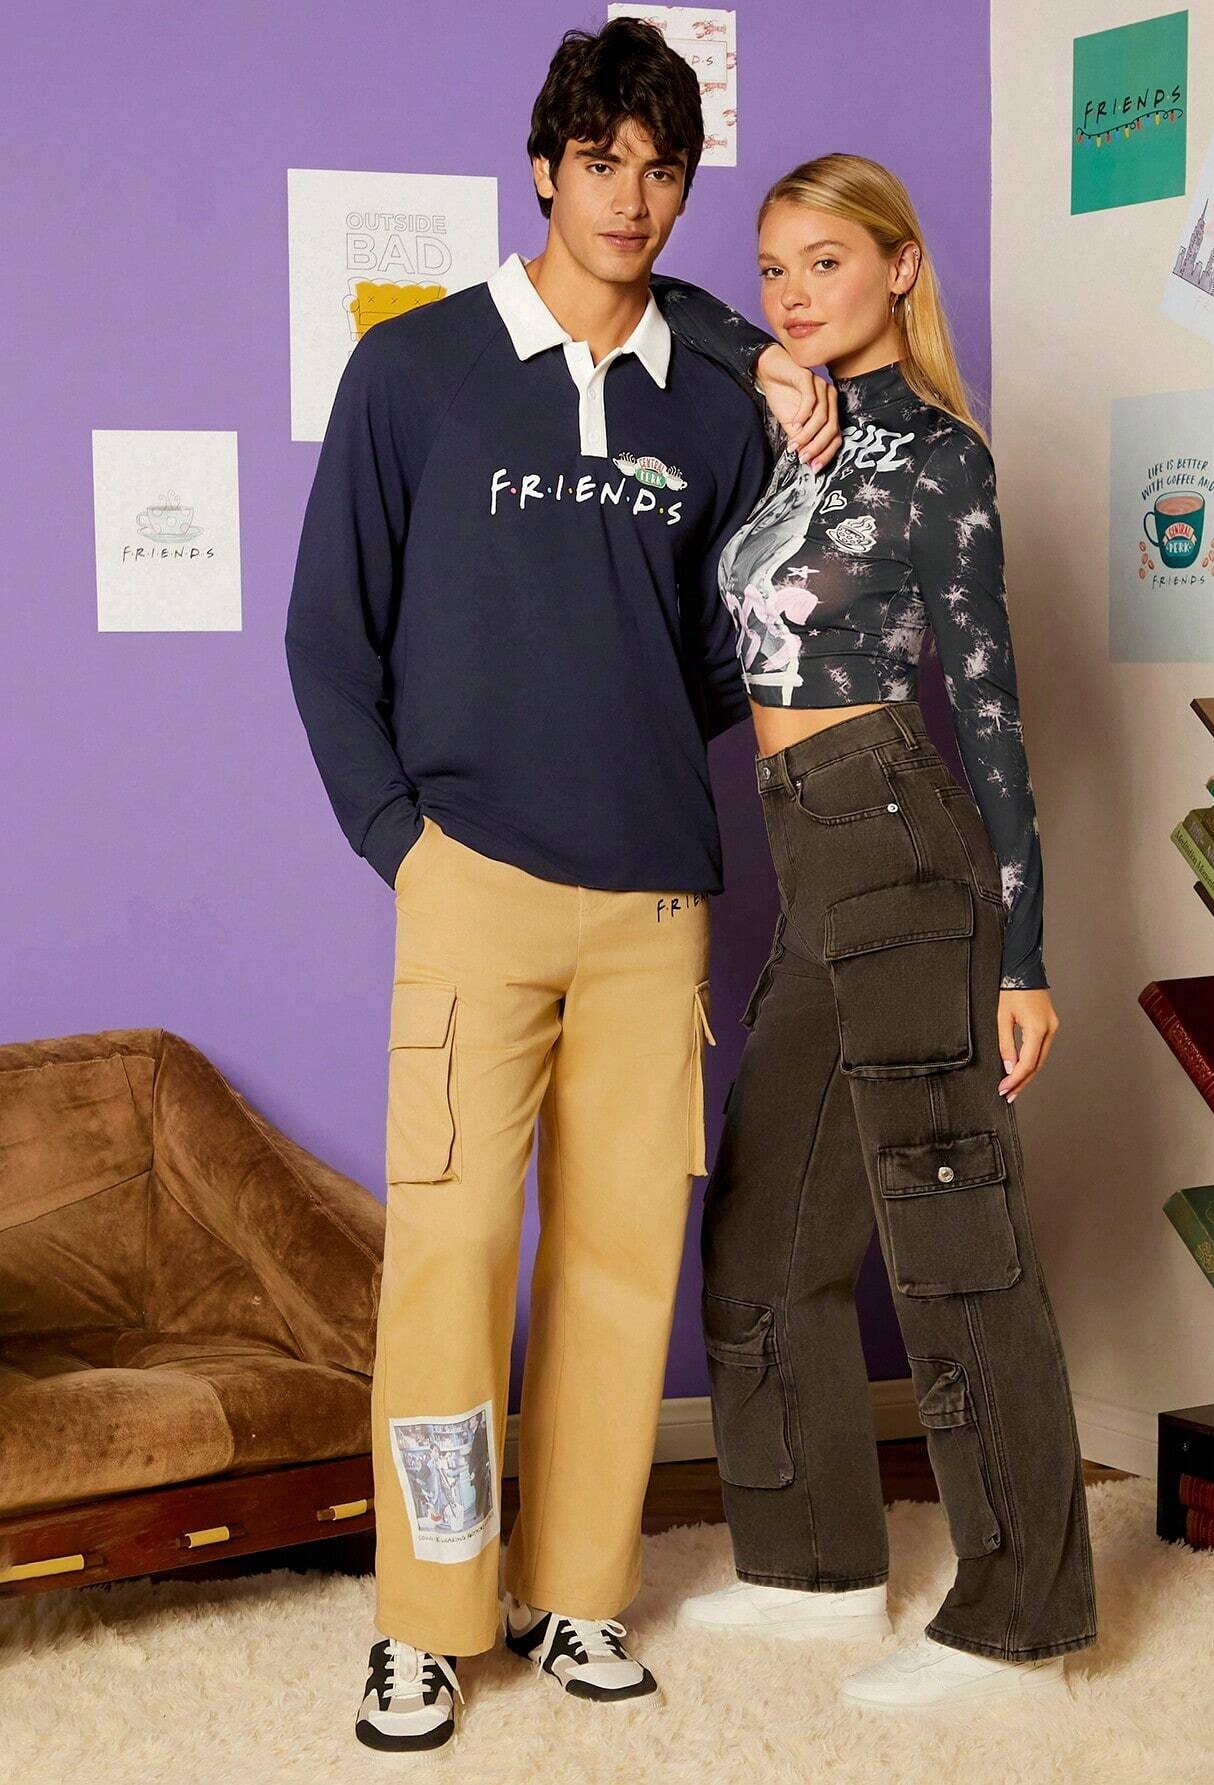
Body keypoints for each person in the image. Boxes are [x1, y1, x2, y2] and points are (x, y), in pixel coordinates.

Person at [284, 20, 838, 1755]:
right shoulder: (418, 370)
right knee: (449, 1259)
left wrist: (777, 377)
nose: (631, 197)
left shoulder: (710, 397)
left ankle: (578, 1591)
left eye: (662, 169)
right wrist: (406, 842)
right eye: (601, 161)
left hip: (656, 900)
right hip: (472, 886)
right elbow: (327, 635)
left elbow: (732, 641)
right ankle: (430, 1614)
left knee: (617, 1262)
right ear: (544, 168)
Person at [660, 154, 1099, 1711]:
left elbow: (990, 707)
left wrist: (1025, 952)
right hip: (806, 857)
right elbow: (672, 303)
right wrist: (765, 361)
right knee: (765, 1228)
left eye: (828, 263)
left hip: (904, 845)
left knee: (954, 1241)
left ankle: (1023, 1612)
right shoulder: (798, 433)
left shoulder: (939, 460)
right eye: (775, 267)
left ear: (902, 268)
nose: (793, 293)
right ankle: (813, 1565)